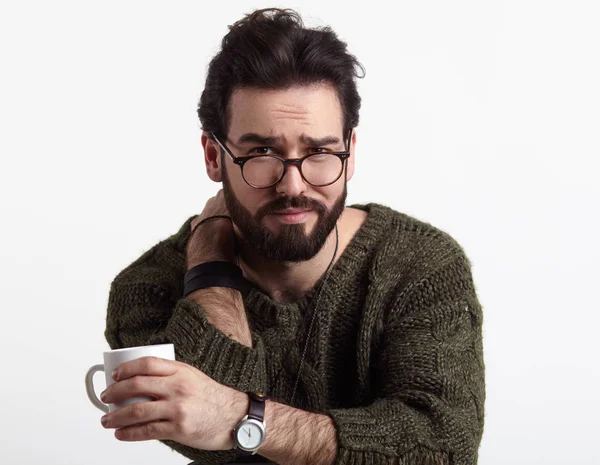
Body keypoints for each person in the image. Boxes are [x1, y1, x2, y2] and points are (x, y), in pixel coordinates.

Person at [101, 8, 485, 465]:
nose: (293, 185)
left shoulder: (422, 266)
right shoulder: (147, 288)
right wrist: (208, 256)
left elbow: (443, 449)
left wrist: (241, 418)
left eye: (320, 151)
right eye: (262, 152)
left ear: (351, 151)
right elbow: (218, 449)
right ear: (213, 155)